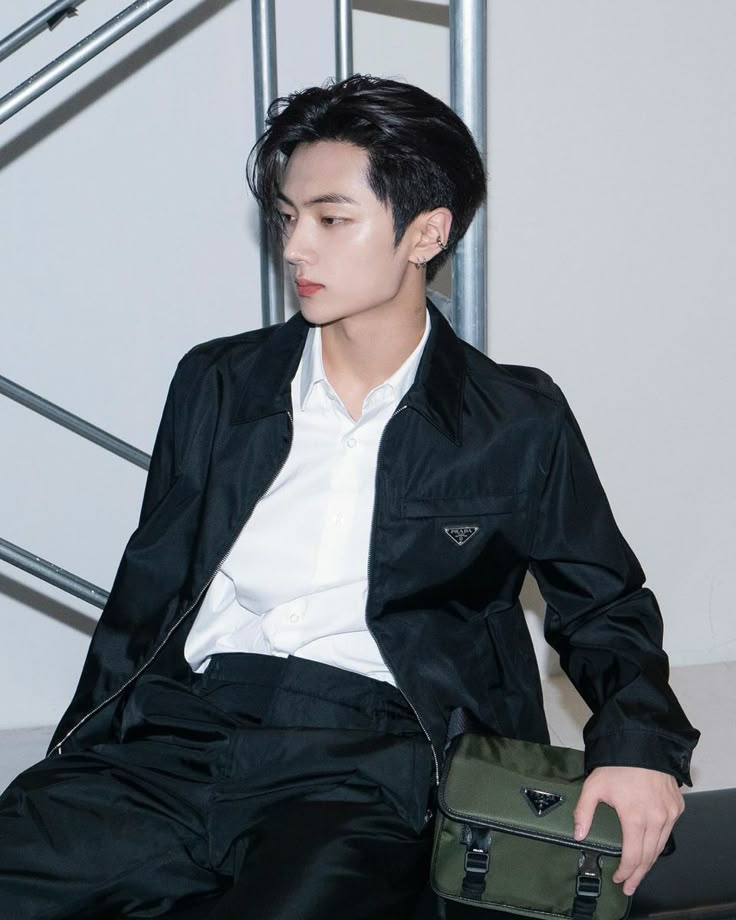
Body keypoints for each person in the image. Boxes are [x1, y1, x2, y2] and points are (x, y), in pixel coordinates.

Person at [0, 74, 699, 919]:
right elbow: (155, 586)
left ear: (425, 233)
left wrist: (641, 748)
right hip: (180, 732)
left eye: (332, 219)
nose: (297, 248)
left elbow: (604, 606)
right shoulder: (218, 384)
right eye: (289, 218)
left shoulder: (513, 419)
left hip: (367, 758)